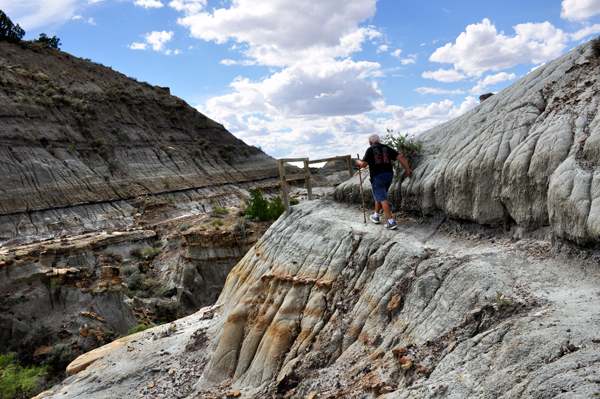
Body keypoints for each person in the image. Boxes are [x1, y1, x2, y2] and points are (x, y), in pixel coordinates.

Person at [356, 133, 412, 230]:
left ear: (370, 142)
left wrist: (358, 162)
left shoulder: (370, 149)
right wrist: (407, 169)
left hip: (377, 176)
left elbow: (364, 164)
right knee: (381, 195)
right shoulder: (386, 147)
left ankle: (391, 222)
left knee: (382, 198)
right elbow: (400, 157)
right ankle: (376, 216)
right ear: (378, 140)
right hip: (389, 175)